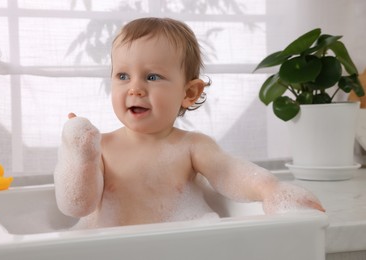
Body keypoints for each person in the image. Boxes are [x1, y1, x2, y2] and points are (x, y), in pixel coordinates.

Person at [54, 17, 324, 229]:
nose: (134, 88)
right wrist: (81, 155)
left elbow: (229, 172)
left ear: (189, 93)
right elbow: (79, 206)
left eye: (152, 77)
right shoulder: (103, 147)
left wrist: (272, 190)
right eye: (123, 76)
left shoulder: (191, 146)